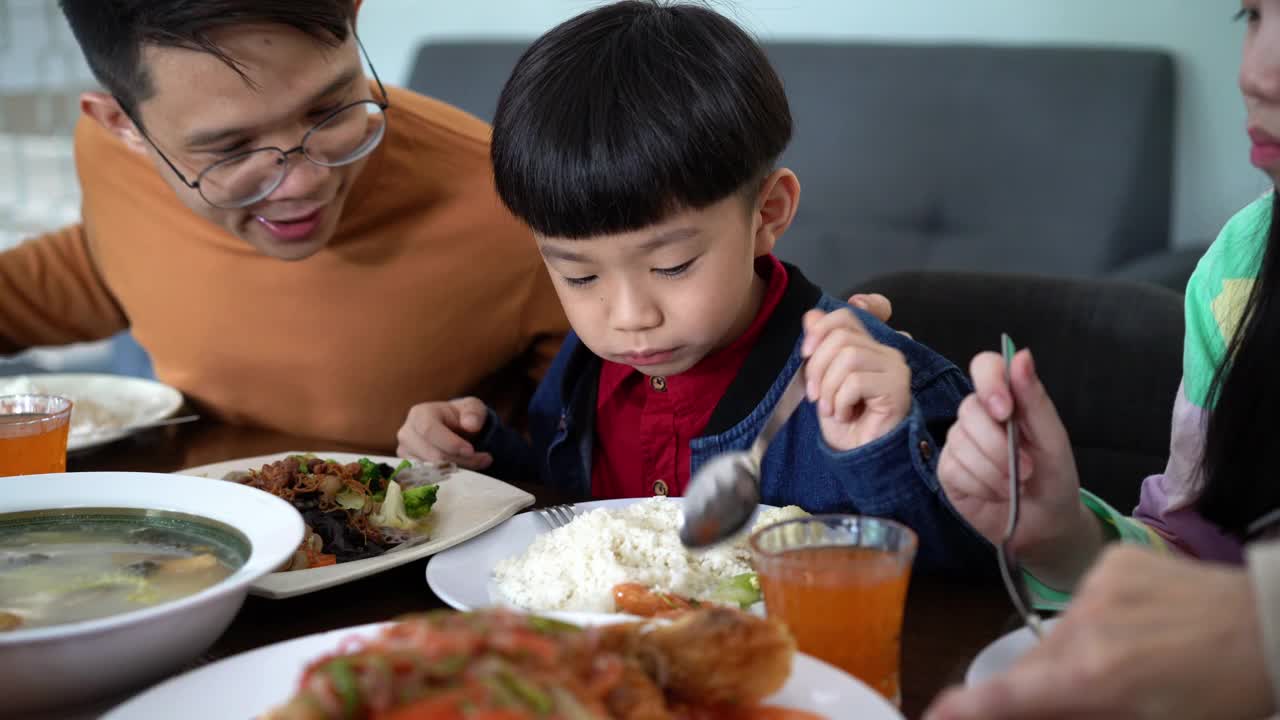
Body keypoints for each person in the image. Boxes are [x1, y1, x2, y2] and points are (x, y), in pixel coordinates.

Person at [396, 1, 990, 573]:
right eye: (579, 275)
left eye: (673, 265)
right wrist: (478, 456)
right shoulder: (583, 372)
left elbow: (979, 568)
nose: (629, 317)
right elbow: (573, 508)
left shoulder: (872, 386)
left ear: (768, 213)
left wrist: (881, 452)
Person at [0, 0, 567, 447]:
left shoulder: (518, 205)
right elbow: (110, 267)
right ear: (122, 124)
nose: (301, 182)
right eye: (229, 148)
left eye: (327, 110)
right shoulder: (114, 161)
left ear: (353, 15)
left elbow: (600, 451)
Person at [925, 1, 1280, 714]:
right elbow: (1203, 566)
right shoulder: (1238, 277)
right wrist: (1063, 537)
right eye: (1251, 14)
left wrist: (1260, 631)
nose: (1254, 73)